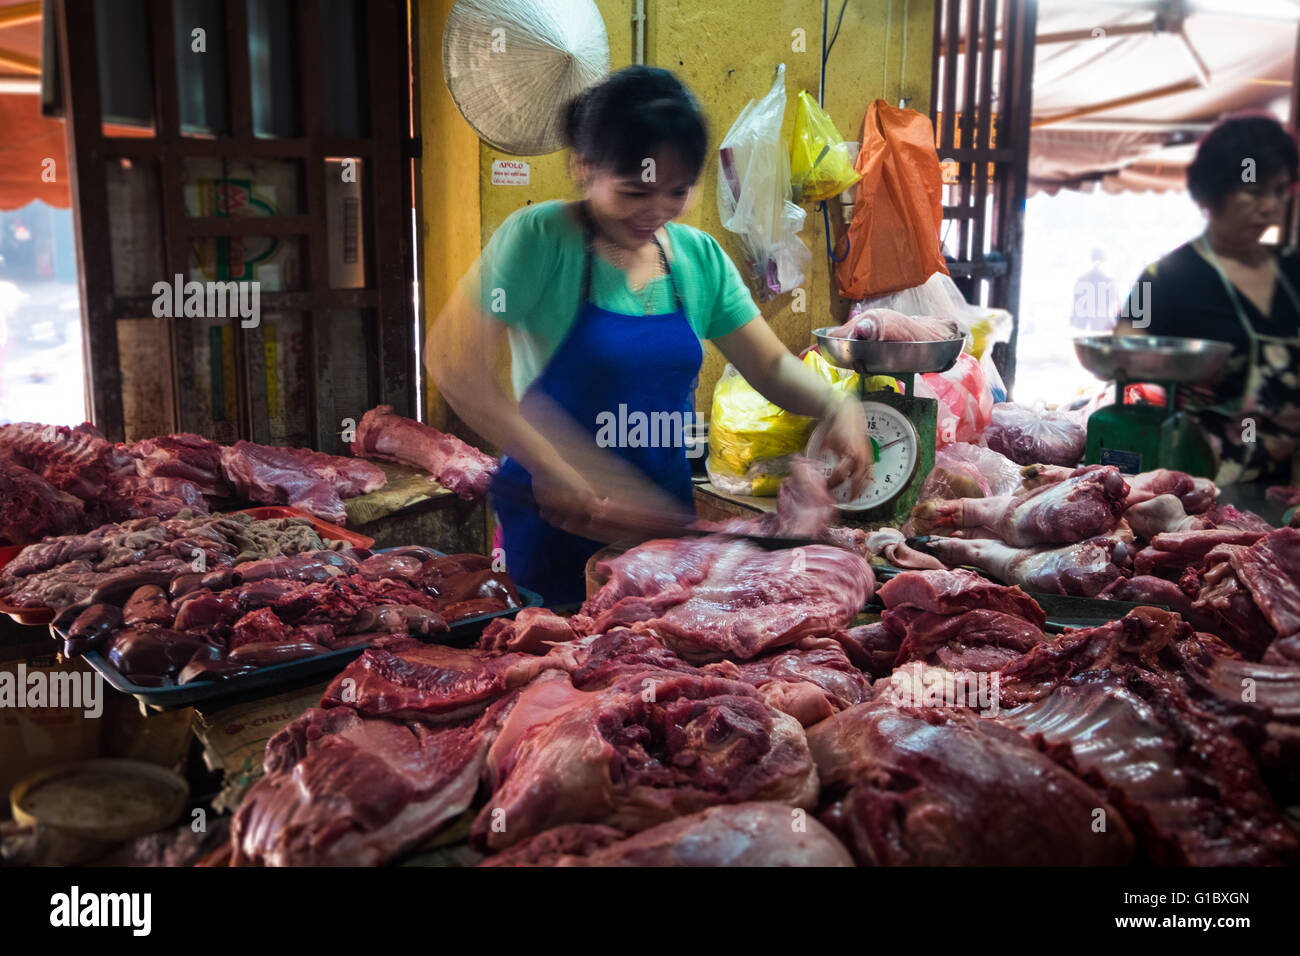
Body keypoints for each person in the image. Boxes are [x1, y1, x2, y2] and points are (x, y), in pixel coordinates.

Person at [426, 67, 871, 604]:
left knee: (658, 674)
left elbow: (771, 368)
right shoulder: (540, 239)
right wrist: (551, 465)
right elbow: (454, 363)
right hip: (555, 530)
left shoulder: (698, 258)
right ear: (583, 166)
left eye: (677, 192)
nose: (656, 211)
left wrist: (839, 405)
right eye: (635, 190)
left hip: (664, 541)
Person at [1117, 114, 1300, 486]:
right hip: (1200, 482)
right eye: (1254, 190)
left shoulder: (1294, 271)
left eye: (1279, 191)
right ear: (1212, 192)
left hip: (1287, 485)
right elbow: (1125, 357)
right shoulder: (1159, 278)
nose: (1270, 206)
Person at [1070, 248, 1118, 333]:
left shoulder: (1081, 280)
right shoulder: (1109, 281)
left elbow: (1074, 305)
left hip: (1083, 329)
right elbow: (1115, 308)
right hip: (1103, 329)